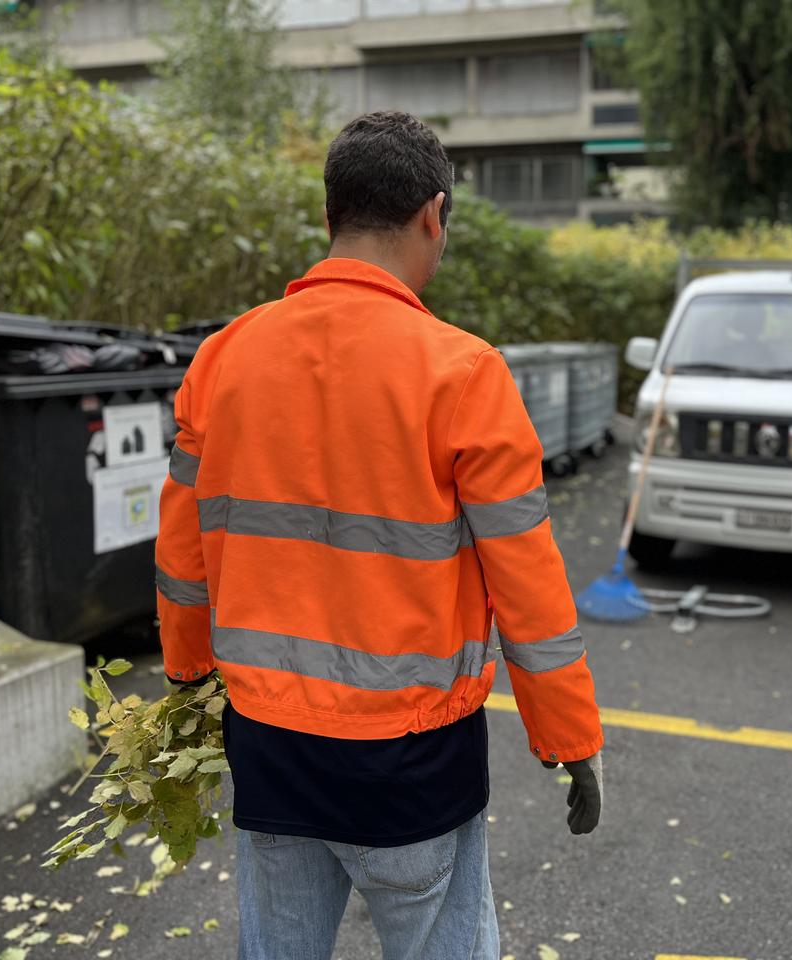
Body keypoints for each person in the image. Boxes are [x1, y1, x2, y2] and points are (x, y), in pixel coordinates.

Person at [154, 111, 604, 960]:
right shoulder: (465, 374)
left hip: (270, 749)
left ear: (330, 218)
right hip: (413, 768)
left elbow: (183, 557)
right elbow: (529, 588)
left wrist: (187, 680)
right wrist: (570, 739)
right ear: (434, 214)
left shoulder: (223, 359)